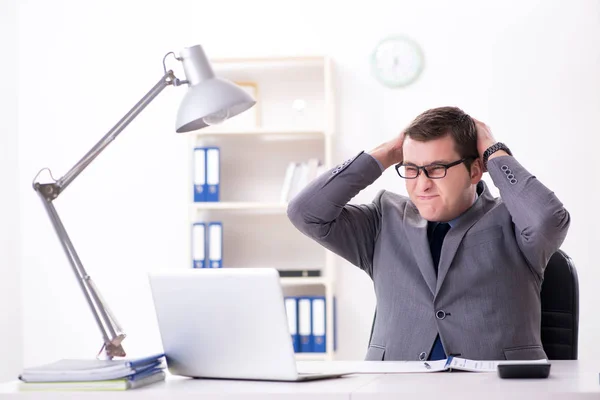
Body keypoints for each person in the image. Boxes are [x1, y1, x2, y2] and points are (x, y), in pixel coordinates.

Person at [287, 106, 570, 361]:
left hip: (495, 390)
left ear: (474, 171)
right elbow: (305, 212)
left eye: (436, 169)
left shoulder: (515, 220)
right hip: (397, 390)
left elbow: (548, 220)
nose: (421, 185)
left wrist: (494, 151)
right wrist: (386, 153)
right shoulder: (382, 219)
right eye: (411, 169)